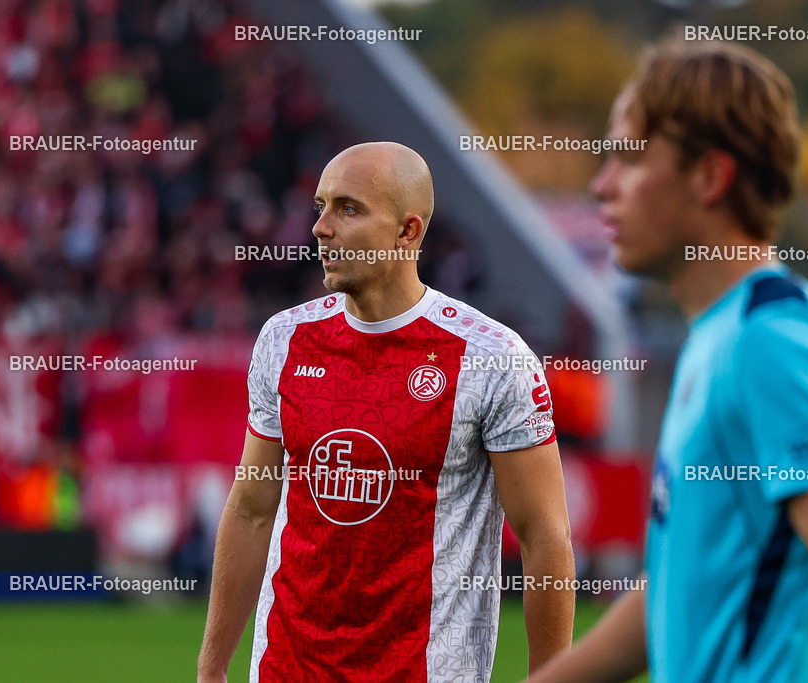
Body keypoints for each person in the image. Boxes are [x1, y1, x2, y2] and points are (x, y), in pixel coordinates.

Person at [529, 39, 808, 682]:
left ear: (710, 176)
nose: (602, 184)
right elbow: (677, 588)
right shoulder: (718, 337)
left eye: (630, 157)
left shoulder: (776, 338)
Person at [198, 142, 575, 682]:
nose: (321, 228)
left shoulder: (492, 358)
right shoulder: (284, 340)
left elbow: (545, 540)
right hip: (287, 668)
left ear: (408, 232)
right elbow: (251, 510)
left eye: (348, 209)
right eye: (320, 207)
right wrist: (211, 669)